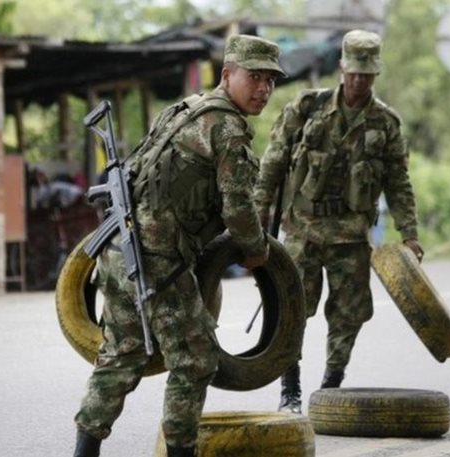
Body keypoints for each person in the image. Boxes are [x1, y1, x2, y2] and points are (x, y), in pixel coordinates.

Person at [71, 34, 285, 457]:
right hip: (158, 259)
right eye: (255, 77)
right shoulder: (228, 130)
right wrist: (256, 250)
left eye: (271, 81)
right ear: (228, 75)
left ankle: (84, 452)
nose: (263, 88)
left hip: (119, 245)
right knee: (194, 360)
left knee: (121, 356)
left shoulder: (184, 110)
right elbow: (238, 210)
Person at [254, 29, 425, 414]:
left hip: (351, 236)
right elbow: (273, 164)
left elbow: (399, 183)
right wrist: (257, 212)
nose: (359, 81)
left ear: (375, 75)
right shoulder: (305, 109)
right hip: (302, 230)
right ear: (342, 69)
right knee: (292, 309)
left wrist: (409, 234)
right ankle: (290, 391)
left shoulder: (386, 124)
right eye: (354, 73)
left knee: (349, 315)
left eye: (367, 75)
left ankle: (330, 388)